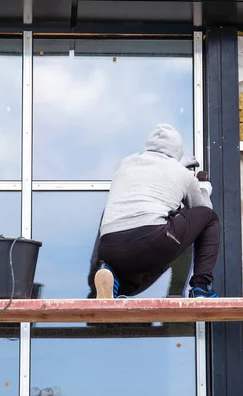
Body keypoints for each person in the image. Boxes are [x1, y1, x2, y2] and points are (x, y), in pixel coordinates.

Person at [92, 123, 220, 299]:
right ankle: (201, 286)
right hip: (151, 239)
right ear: (178, 151)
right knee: (210, 218)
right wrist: (203, 189)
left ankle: (110, 276)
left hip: (109, 247)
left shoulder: (125, 164)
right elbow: (203, 211)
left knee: (129, 280)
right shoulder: (181, 173)